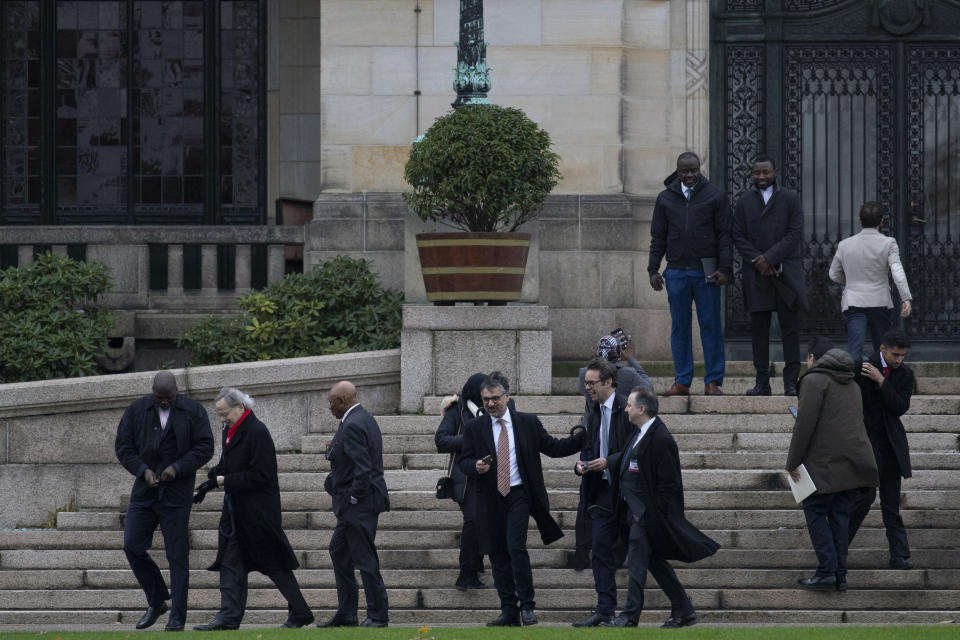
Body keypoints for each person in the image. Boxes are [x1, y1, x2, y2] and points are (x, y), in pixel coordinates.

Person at [458, 371, 584, 627]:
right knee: (496, 553)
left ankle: (527, 606)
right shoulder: (475, 427)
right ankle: (508, 609)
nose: (490, 404)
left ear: (507, 396)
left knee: (516, 548)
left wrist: (583, 438)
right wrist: (476, 467)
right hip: (489, 497)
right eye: (485, 400)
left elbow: (553, 447)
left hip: (518, 494)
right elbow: (464, 461)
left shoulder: (526, 422)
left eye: (495, 398)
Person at [192, 388, 315, 630]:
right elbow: (226, 464)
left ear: (241, 407)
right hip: (236, 514)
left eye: (225, 413)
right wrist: (207, 485)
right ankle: (228, 618)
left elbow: (262, 476)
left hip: (258, 514)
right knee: (230, 563)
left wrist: (225, 481)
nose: (222, 419)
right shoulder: (230, 430)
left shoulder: (257, 432)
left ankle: (300, 612)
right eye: (219, 415)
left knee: (275, 565)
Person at [602, 387, 719, 628]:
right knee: (655, 562)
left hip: (646, 516)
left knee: (636, 564)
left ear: (642, 409)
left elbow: (670, 485)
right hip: (633, 513)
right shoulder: (639, 433)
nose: (626, 409)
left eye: (630, 405)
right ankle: (684, 609)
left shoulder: (661, 438)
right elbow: (627, 459)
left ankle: (630, 615)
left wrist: (652, 515)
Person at [114, 371, 214, 631]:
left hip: (177, 494)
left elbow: (205, 447)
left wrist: (178, 468)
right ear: (153, 392)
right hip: (145, 492)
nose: (165, 402)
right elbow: (123, 447)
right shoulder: (137, 410)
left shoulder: (193, 411)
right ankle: (157, 600)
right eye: (160, 398)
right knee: (132, 545)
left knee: (177, 556)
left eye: (169, 397)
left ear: (176, 392)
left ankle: (177, 617)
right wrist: (143, 471)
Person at [786, 337, 879, 591]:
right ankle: (840, 574)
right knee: (839, 515)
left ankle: (827, 570)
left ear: (811, 359)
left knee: (815, 510)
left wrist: (792, 462)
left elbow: (804, 425)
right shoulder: (852, 383)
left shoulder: (813, 380)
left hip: (823, 462)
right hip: (852, 462)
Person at [648, 151, 732, 396]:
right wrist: (653, 269)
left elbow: (725, 236)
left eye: (694, 170)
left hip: (706, 272)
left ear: (699, 169)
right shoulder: (665, 199)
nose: (690, 175)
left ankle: (713, 381)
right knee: (679, 328)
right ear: (678, 171)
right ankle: (682, 381)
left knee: (710, 326)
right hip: (675, 272)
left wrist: (725, 268)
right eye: (685, 171)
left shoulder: (715, 196)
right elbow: (658, 238)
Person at [573, 333, 652, 570]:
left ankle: (581, 550)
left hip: (594, 437)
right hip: (609, 440)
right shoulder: (626, 374)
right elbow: (648, 388)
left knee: (588, 498)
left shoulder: (583, 373)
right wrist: (633, 360)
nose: (589, 387)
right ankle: (614, 553)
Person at [732, 156, 807, 396]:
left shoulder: (790, 199)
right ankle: (762, 382)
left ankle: (790, 382)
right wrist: (759, 261)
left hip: (786, 274)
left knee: (790, 331)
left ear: (775, 171)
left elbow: (795, 233)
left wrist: (771, 258)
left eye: (765, 172)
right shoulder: (744, 201)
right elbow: (737, 235)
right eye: (756, 173)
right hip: (757, 275)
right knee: (759, 332)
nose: (761, 177)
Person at [317, 381, 390, 628]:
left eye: (331, 402)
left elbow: (364, 468)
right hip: (356, 503)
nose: (329, 407)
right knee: (339, 552)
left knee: (364, 558)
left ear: (342, 401)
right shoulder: (362, 419)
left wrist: (352, 497)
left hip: (359, 504)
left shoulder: (353, 424)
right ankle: (347, 613)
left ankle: (378, 615)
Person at [571, 359, 635, 627]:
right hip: (602, 491)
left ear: (608, 382)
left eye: (592, 383)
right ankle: (605, 609)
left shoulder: (628, 408)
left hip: (629, 492)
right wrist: (582, 463)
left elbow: (636, 448)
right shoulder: (594, 411)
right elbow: (590, 446)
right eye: (586, 383)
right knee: (599, 550)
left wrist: (608, 461)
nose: (587, 388)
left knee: (646, 554)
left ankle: (680, 605)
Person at [847, 329, 916, 569]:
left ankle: (900, 555)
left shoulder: (905, 374)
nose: (899, 360)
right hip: (865, 445)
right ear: (883, 349)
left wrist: (881, 381)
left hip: (890, 448)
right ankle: (837, 547)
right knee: (861, 499)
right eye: (895, 354)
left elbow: (899, 407)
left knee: (890, 506)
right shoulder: (861, 368)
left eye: (903, 355)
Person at [828, 201, 913, 360]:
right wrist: (905, 297)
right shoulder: (888, 243)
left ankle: (854, 382)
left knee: (855, 348)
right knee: (883, 350)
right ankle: (883, 380)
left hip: (854, 300)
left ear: (860, 220)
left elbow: (833, 274)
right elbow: (897, 271)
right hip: (879, 301)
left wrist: (850, 281)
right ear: (881, 221)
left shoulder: (845, 245)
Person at [434, 373, 487, 590]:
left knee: (483, 523)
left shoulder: (494, 409)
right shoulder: (457, 411)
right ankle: (466, 573)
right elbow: (441, 440)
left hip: (488, 475)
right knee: (472, 521)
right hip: (465, 478)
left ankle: (475, 568)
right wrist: (472, 438)